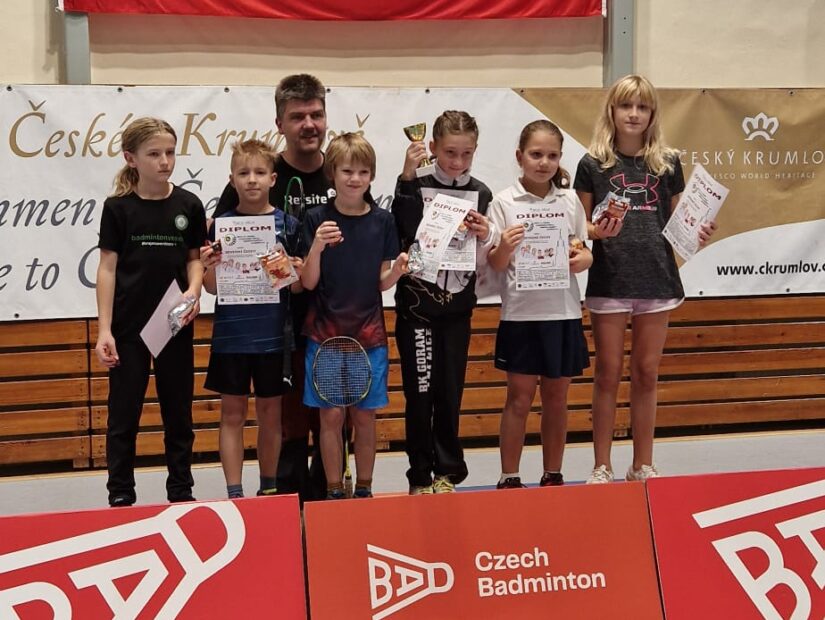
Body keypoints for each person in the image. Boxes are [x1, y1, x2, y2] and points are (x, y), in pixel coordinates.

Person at [574, 75, 716, 483]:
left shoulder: (667, 163)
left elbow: (680, 224)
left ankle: (642, 464)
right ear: (612, 111)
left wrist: (698, 232)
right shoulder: (592, 164)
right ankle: (602, 465)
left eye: (642, 107)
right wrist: (598, 231)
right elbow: (579, 227)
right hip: (610, 278)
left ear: (653, 114)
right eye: (626, 106)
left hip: (657, 278)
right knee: (607, 373)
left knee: (647, 373)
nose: (634, 114)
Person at [216, 73, 333, 502]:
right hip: (274, 324)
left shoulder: (342, 171)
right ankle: (282, 495)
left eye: (316, 114)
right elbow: (221, 251)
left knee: (330, 415)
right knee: (284, 416)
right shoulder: (262, 175)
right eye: (298, 116)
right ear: (280, 123)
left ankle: (331, 492)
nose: (309, 124)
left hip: (333, 318)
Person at [95, 117, 206, 507]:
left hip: (173, 323)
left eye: (170, 153)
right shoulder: (118, 208)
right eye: (154, 154)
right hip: (128, 327)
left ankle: (181, 491)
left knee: (178, 414)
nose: (164, 161)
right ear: (131, 158)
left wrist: (193, 291)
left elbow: (194, 259)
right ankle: (120, 494)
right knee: (123, 416)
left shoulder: (188, 205)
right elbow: (107, 269)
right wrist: (104, 330)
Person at [300, 133, 407, 500]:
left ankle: (364, 489)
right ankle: (333, 490)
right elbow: (308, 281)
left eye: (363, 172)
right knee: (330, 416)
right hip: (324, 335)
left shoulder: (384, 221)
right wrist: (316, 246)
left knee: (364, 417)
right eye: (347, 171)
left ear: (372, 175)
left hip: (369, 335)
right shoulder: (315, 219)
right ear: (333, 173)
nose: (355, 178)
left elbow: (381, 283)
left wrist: (398, 271)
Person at [393, 110, 494, 495]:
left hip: (457, 310)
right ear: (433, 147)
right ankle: (419, 474)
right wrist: (406, 175)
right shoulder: (414, 183)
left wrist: (486, 234)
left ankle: (447, 471)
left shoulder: (481, 193)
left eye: (466, 154)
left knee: (449, 393)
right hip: (417, 308)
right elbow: (403, 230)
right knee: (420, 394)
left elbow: (486, 257)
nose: (457, 161)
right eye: (450, 152)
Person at [487, 120, 592, 489]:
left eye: (552, 155)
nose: (544, 162)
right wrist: (504, 247)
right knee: (518, 398)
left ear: (560, 158)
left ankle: (553, 474)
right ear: (520, 156)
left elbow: (582, 249)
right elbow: (495, 263)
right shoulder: (502, 202)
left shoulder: (569, 201)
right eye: (536, 154)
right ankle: (509, 476)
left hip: (562, 312)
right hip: (521, 315)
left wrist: (585, 259)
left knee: (557, 398)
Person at [200, 139, 303, 499]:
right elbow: (212, 288)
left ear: (273, 179)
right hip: (232, 337)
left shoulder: (288, 225)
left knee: (271, 414)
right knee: (232, 414)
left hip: (274, 337)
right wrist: (208, 267)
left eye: (260, 172)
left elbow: (298, 287)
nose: (252, 179)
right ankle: (234, 493)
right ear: (232, 180)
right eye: (244, 173)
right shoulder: (219, 226)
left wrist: (291, 268)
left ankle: (269, 489)